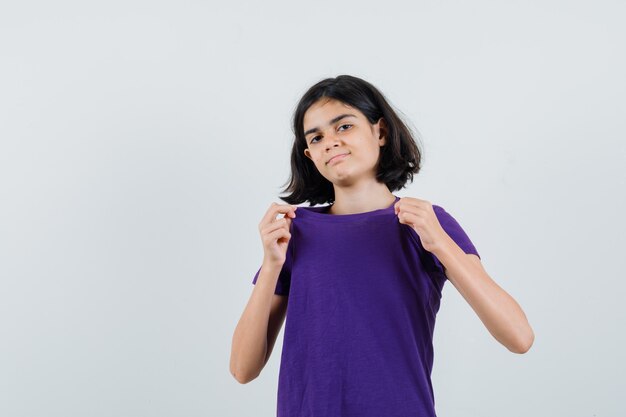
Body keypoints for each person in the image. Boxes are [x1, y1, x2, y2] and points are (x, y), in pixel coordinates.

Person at [230, 74, 534, 417]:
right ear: (309, 154)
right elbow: (243, 369)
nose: (329, 141)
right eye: (316, 137)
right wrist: (271, 266)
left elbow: (519, 337)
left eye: (343, 126)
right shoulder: (294, 234)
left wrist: (441, 246)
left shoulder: (427, 223)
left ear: (381, 132)